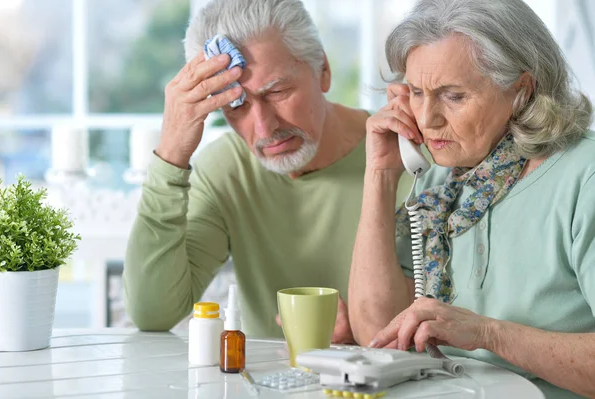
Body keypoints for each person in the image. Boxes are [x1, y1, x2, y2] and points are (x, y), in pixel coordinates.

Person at [348, 0, 595, 398]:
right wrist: (380, 174)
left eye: (453, 96)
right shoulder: (440, 183)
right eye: (415, 92)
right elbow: (377, 333)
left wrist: (487, 334)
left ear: (521, 90)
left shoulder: (585, 177)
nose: (427, 120)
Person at [123, 0, 370, 342]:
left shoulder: (402, 157)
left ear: (323, 70)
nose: (265, 128)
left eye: (278, 92)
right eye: (235, 106)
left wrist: (360, 338)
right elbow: (153, 313)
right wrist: (171, 154)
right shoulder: (225, 171)